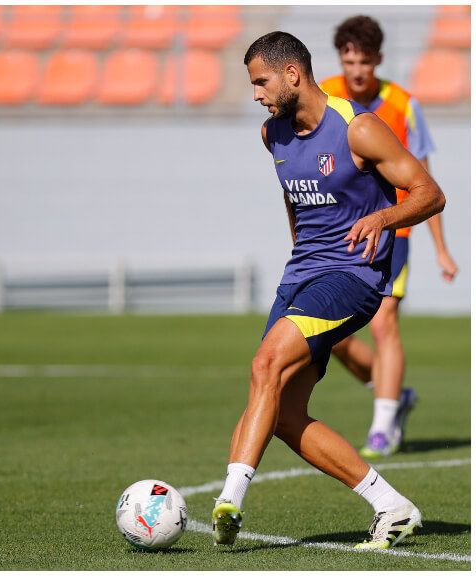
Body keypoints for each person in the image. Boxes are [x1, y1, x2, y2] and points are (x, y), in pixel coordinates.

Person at [212, 31, 445, 550]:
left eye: (260, 82)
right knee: (281, 412)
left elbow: (431, 193)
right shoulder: (272, 135)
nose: (255, 94)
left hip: (353, 278)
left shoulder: (358, 128)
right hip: (302, 275)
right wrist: (302, 256)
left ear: (292, 73)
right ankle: (392, 506)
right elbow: (296, 203)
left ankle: (228, 503)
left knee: (263, 365)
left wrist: (383, 217)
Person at [319, 15, 458, 459]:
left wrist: (441, 248)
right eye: (349, 59)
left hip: (392, 231)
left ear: (378, 60)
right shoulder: (324, 96)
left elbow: (425, 180)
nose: (357, 69)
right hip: (339, 232)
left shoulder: (402, 103)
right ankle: (393, 395)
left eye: (365, 60)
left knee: (384, 322)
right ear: (341, 59)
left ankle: (382, 428)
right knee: (331, 334)